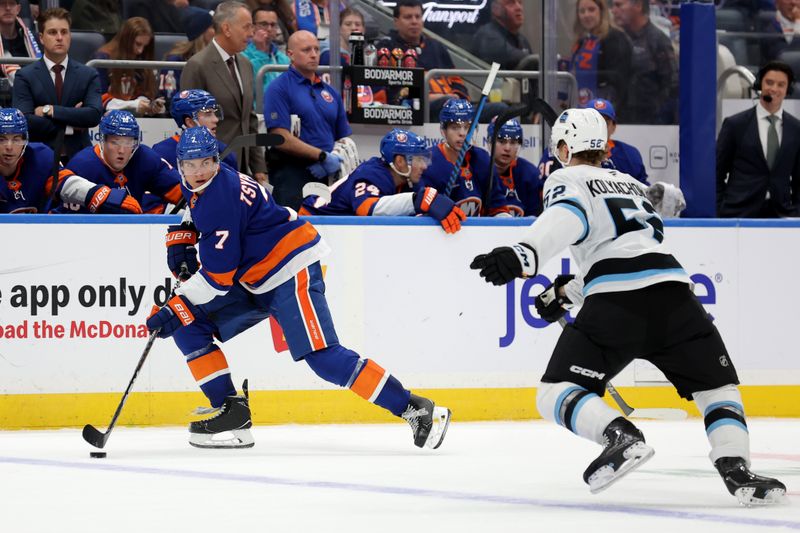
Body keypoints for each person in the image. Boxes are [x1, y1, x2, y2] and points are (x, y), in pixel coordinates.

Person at [470, 107, 787, 505]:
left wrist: (523, 254)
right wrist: (564, 295)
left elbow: (568, 218)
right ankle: (737, 469)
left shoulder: (565, 178)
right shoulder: (633, 185)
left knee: (554, 392)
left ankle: (619, 436)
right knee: (717, 388)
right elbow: (625, 249)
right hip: (676, 296)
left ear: (565, 149)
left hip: (617, 303)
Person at [145, 125, 452, 450]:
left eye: (205, 163)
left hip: (290, 268)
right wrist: (185, 229)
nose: (198, 172)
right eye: (190, 164)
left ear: (215, 162)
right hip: (255, 277)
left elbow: (218, 279)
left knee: (323, 358)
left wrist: (178, 303)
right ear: (180, 165)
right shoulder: (209, 182)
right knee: (188, 325)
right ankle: (231, 412)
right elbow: (200, 207)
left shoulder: (219, 197)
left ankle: (412, 407)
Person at [300, 128, 466, 233]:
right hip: (311, 225)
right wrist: (416, 200)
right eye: (419, 159)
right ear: (400, 161)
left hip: (332, 229)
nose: (424, 166)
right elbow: (366, 208)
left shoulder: (406, 179)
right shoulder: (372, 173)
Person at [181, 1, 268, 184]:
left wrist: (259, 167)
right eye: (246, 27)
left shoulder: (246, 65)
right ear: (227, 29)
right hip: (210, 168)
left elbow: (249, 119)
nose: (251, 34)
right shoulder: (197, 66)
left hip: (242, 168)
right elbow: (190, 123)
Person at [376, 0, 506, 123]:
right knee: (447, 103)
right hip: (419, 109)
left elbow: (457, 82)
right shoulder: (386, 48)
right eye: (408, 17)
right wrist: (428, 98)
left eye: (418, 16)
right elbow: (393, 91)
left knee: (501, 109)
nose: (414, 21)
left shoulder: (436, 46)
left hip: (453, 105)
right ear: (396, 21)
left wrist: (457, 98)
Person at [264, 30, 350, 210]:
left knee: (331, 224)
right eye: (306, 50)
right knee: (293, 223)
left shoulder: (330, 92)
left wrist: (335, 157)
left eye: (316, 49)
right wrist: (321, 156)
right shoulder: (278, 88)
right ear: (290, 54)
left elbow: (343, 137)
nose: (313, 54)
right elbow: (279, 138)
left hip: (328, 174)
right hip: (292, 174)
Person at [0, 107, 140, 214]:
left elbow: (68, 185)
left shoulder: (40, 158)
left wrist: (109, 197)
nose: (9, 147)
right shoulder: (84, 162)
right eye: (2, 140)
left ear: (25, 141)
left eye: (16, 139)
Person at [12, 8, 102, 161]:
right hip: (38, 157)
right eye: (52, 32)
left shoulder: (88, 74)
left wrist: (50, 110)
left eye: (64, 32)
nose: (59, 38)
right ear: (41, 38)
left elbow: (93, 115)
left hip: (79, 158)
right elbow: (25, 121)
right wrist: (72, 123)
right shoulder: (25, 76)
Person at [717, 61, 800, 217]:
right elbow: (717, 172)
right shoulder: (735, 125)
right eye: (769, 82)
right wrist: (720, 209)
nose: (774, 88)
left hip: (782, 215)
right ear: (760, 84)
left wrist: (796, 212)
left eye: (781, 85)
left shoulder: (796, 129)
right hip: (738, 213)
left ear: (787, 90)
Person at [63, 110, 182, 214]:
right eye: (115, 142)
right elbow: (66, 220)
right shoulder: (82, 165)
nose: (122, 150)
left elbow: (182, 192)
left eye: (128, 143)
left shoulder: (145, 158)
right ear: (102, 140)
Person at [419, 98, 509, 217]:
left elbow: (497, 207)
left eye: (467, 127)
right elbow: (422, 212)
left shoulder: (482, 159)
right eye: (455, 127)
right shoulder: (429, 163)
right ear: (443, 130)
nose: (462, 133)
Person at [539, 98, 649, 185]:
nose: (598, 127)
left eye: (604, 122)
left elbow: (643, 194)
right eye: (593, 121)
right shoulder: (557, 149)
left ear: (614, 127)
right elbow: (543, 190)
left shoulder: (630, 155)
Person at [610, 0, 677, 124]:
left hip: (651, 120)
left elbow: (672, 85)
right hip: (620, 118)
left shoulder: (658, 40)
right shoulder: (615, 39)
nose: (613, 11)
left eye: (619, 5)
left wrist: (662, 119)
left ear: (638, 6)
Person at [92, 17, 164, 116]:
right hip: (107, 117)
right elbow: (99, 99)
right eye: (138, 44)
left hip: (139, 119)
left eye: (145, 46)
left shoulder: (141, 59)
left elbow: (145, 93)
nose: (140, 51)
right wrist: (133, 104)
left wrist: (149, 104)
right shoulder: (102, 59)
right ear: (126, 40)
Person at [569, 0, 632, 111]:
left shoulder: (616, 38)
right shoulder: (582, 40)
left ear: (602, 11)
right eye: (582, 11)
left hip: (607, 109)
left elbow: (619, 80)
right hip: (581, 106)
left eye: (591, 10)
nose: (586, 15)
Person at [153, 89, 238, 171]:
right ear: (190, 122)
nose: (216, 119)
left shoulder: (225, 152)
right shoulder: (163, 152)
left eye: (214, 113)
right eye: (208, 114)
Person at [487, 117, 542, 217]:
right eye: (502, 141)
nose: (507, 148)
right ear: (490, 142)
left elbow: (535, 217)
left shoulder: (530, 174)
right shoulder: (480, 170)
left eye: (513, 142)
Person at [160, 6, 215, 96]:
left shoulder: (215, 59)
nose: (217, 32)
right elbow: (170, 97)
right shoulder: (175, 62)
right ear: (202, 32)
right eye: (213, 27)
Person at [242, 6, 290, 96]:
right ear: (252, 27)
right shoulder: (242, 56)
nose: (269, 29)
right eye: (264, 24)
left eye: (273, 25)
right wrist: (260, 51)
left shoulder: (283, 59)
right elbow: (252, 91)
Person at [471, 0, 532, 71]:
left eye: (520, 3)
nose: (518, 8)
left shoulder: (522, 40)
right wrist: (531, 59)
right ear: (496, 9)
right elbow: (509, 56)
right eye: (510, 3)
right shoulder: (487, 35)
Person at [0, 0, 42, 88]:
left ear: (18, 9)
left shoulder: (34, 40)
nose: (8, 8)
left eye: (12, 4)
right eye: (2, 4)